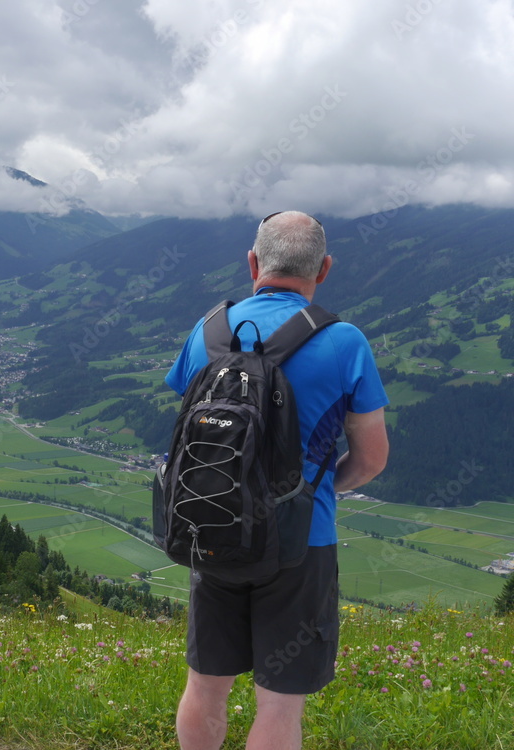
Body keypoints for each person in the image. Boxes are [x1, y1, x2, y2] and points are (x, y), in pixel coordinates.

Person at [164, 210, 390, 750]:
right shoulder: (344, 341)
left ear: (252, 263)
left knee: (206, 685)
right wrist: (317, 491)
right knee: (281, 703)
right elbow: (371, 459)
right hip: (300, 542)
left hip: (212, 528)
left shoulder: (208, 331)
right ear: (325, 269)